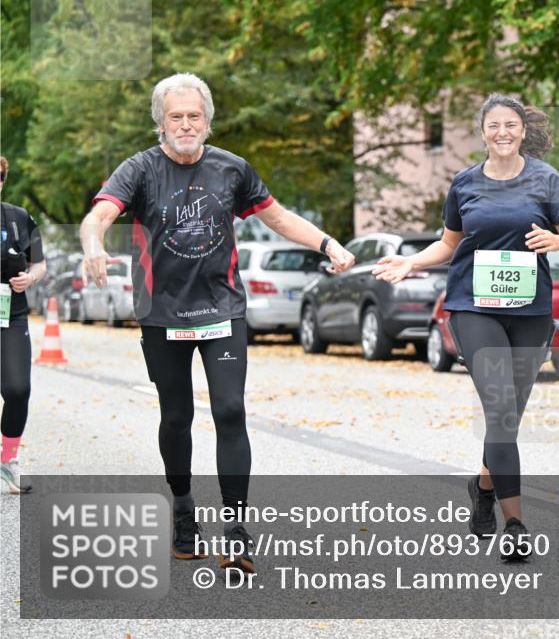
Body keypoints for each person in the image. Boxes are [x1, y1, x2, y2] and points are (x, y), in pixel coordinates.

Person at [80, 73, 355, 572]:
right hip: (162, 315)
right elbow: (98, 215)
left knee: (230, 410)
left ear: (208, 120)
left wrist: (327, 242)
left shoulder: (232, 169)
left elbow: (278, 217)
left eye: (194, 116)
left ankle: (236, 530)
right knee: (177, 416)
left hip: (221, 311)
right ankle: (185, 511)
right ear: (161, 123)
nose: (186, 124)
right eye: (175, 117)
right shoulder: (139, 169)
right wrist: (94, 245)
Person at [374, 93, 559, 560]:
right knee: (500, 412)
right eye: (495, 126)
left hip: (531, 312)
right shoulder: (465, 183)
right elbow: (448, 244)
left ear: (522, 130)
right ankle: (516, 524)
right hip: (475, 308)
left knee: (506, 419)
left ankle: (483, 487)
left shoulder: (547, 179)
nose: (503, 132)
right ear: (483, 131)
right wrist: (409, 264)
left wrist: (556, 239)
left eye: (511, 125)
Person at [0, 157, 47, 495]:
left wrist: (30, 277)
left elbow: (40, 263)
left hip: (10, 314)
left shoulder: (18, 218)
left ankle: (8, 460)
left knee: (18, 389)